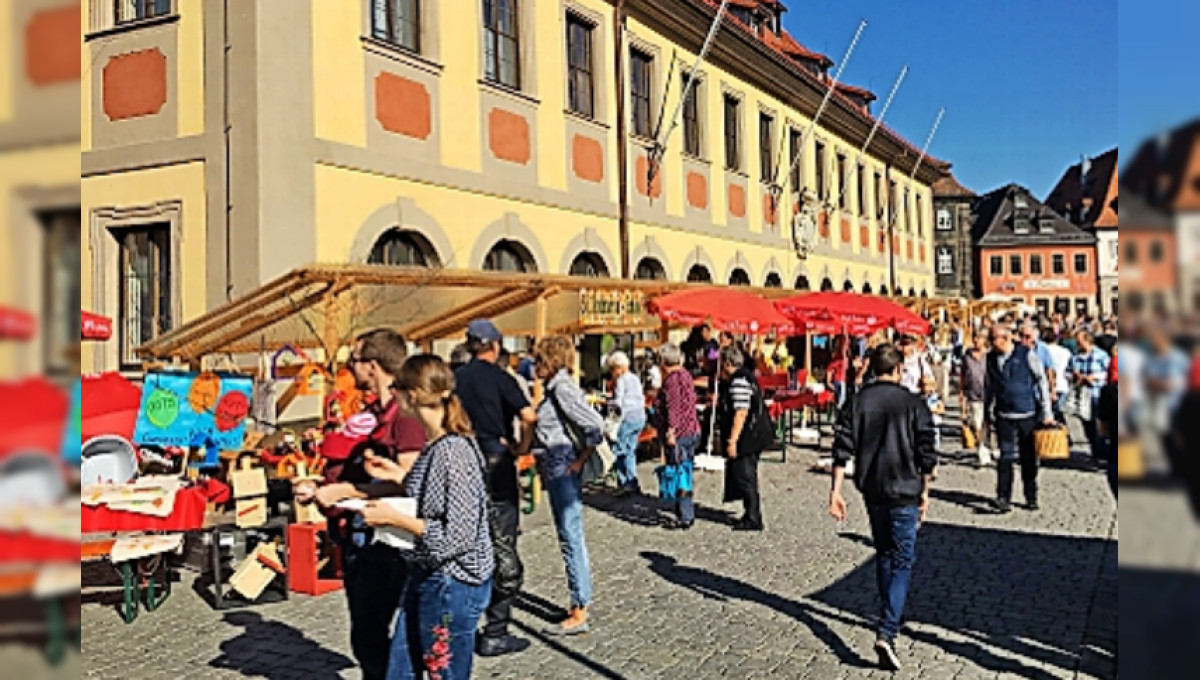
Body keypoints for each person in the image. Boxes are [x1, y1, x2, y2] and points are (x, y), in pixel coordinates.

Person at [299, 329, 426, 680]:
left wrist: (343, 491)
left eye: (353, 360)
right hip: (356, 529)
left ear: (372, 365)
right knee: (365, 631)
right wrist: (321, 487)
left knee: (371, 633)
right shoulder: (376, 409)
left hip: (383, 536)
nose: (349, 367)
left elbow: (409, 482)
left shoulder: (405, 416)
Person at [358, 355, 494, 680]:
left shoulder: (453, 451)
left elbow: (457, 536)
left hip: (451, 581)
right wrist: (398, 476)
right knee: (400, 671)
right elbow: (435, 499)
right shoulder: (437, 445)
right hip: (428, 573)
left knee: (441, 673)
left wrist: (395, 518)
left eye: (397, 389)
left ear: (412, 395)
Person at [829, 344, 938, 672]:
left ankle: (890, 612)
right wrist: (925, 491)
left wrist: (835, 491)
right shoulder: (913, 403)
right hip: (905, 487)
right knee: (903, 558)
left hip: (873, 488)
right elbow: (927, 454)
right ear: (900, 368)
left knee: (885, 553)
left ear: (872, 368)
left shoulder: (857, 401)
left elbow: (841, 448)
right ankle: (888, 630)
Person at [453, 319, 537, 658]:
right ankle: (496, 629)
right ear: (496, 346)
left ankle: (463, 624)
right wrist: (521, 446)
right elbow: (529, 416)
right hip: (495, 459)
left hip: (462, 459)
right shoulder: (503, 378)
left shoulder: (455, 378)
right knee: (503, 543)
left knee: (466, 540)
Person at [533, 335, 604, 635]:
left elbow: (595, 424)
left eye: (538, 360)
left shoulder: (562, 388)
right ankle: (578, 602)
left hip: (563, 468)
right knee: (569, 535)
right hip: (556, 467)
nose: (534, 365)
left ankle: (579, 607)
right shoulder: (556, 388)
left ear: (550, 361)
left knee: (570, 536)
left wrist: (580, 460)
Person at [985, 325, 1057, 514]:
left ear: (1005, 338)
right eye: (990, 339)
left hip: (1027, 414)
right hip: (1003, 414)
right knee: (1005, 457)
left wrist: (1047, 412)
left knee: (1028, 457)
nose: (991, 343)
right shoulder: (991, 358)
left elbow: (1041, 380)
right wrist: (987, 412)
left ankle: (1031, 495)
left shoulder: (1026, 354)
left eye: (994, 339)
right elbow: (990, 386)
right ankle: (1003, 497)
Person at [718, 345, 772, 532]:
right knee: (746, 474)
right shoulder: (745, 376)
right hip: (753, 434)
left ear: (726, 363)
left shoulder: (739, 380)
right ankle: (750, 512)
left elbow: (741, 412)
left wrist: (732, 441)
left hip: (748, 436)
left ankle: (753, 516)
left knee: (745, 475)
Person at [654, 343, 702, 530]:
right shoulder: (685, 374)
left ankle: (685, 514)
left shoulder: (672, 380)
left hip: (680, 433)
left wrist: (671, 432)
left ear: (663, 362)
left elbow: (673, 408)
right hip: (691, 430)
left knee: (680, 472)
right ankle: (683, 510)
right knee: (685, 469)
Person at [1066, 331, 1112, 464]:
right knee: (1087, 424)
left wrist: (1094, 377)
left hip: (1097, 393)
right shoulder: (1074, 357)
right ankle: (1096, 450)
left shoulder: (1101, 355)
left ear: (1087, 340)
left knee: (1099, 424)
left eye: (1079, 340)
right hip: (1081, 396)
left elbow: (1108, 372)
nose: (1076, 343)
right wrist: (1074, 376)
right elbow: (1067, 372)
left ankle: (1102, 452)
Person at [607, 351, 647, 495]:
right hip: (640, 418)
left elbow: (618, 404)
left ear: (619, 367)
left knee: (619, 450)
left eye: (612, 369)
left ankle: (623, 482)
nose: (612, 372)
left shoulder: (622, 380)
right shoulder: (635, 378)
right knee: (630, 450)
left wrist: (609, 404)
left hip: (628, 418)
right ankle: (632, 481)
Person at [961, 333, 990, 466]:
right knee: (977, 424)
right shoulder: (967, 357)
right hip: (973, 394)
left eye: (979, 338)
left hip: (989, 394)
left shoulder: (989, 356)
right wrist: (962, 398)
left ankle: (989, 447)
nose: (976, 340)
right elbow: (963, 376)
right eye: (975, 337)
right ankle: (982, 451)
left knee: (988, 424)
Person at [921, 377, 946, 452]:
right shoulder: (919, 398)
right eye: (924, 385)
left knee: (935, 442)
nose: (926, 388)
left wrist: (932, 411)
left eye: (929, 386)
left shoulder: (936, 397)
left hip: (934, 423)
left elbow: (941, 410)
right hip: (923, 424)